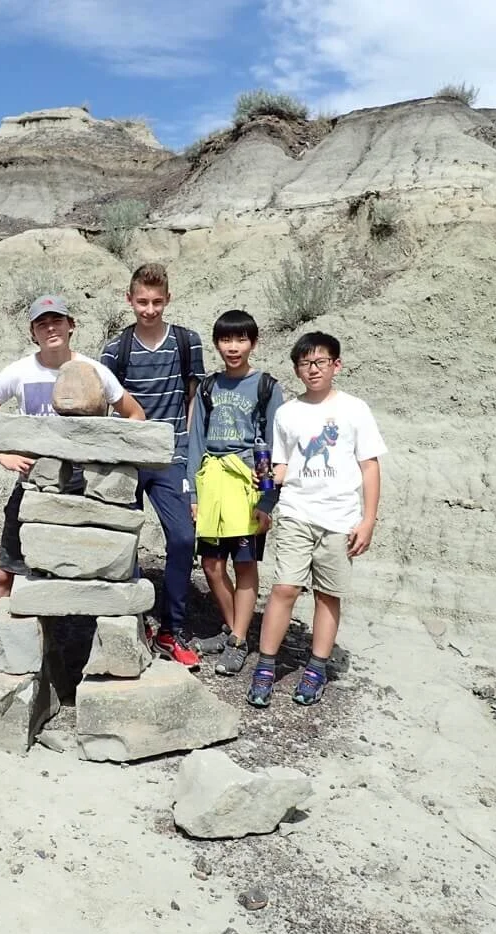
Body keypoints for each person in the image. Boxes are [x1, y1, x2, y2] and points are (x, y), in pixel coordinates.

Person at [0, 295, 145, 618]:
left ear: (71, 325)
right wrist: (2, 454)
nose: (50, 328)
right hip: (36, 484)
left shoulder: (93, 371)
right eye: (42, 323)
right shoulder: (19, 372)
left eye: (57, 320)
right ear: (33, 332)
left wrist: (108, 455)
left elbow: (135, 415)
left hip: (86, 489)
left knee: (105, 570)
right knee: (7, 572)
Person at [247, 331, 385, 708]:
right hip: (296, 512)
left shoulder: (355, 410)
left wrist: (368, 519)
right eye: (305, 363)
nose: (313, 369)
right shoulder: (288, 413)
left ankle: (316, 667)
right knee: (284, 589)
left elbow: (370, 466)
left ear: (336, 365)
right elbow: (281, 465)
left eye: (320, 362)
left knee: (328, 594)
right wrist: (264, 502)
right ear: (296, 369)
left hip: (340, 518)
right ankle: (266, 665)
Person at [100, 262, 204, 668]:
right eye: (142, 301)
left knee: (182, 539)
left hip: (170, 456)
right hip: (127, 458)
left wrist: (191, 459)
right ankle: (135, 618)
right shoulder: (115, 350)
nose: (149, 309)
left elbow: (192, 400)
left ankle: (170, 629)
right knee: (124, 541)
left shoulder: (186, 342)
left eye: (157, 301)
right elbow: (108, 408)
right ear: (129, 300)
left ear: (168, 299)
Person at [185, 309, 285, 676]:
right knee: (211, 565)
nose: (233, 347)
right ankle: (234, 630)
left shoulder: (267, 387)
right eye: (226, 339)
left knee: (244, 564)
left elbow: (278, 446)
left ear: (253, 343)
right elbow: (195, 440)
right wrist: (193, 494)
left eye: (241, 339)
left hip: (247, 482)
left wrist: (268, 498)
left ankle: (239, 640)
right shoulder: (210, 386)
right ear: (217, 344)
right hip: (212, 481)